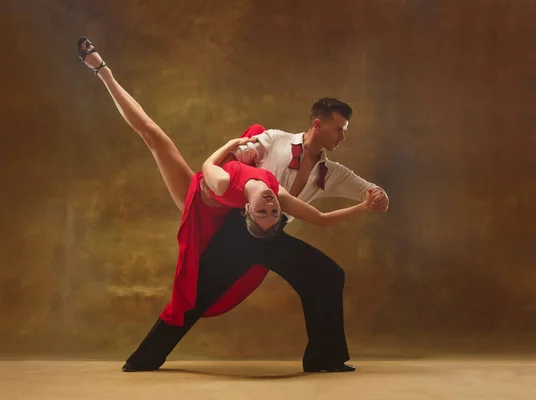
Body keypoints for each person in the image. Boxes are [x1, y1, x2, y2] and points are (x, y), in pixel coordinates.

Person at [77, 37, 379, 372]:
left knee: (326, 275)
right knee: (194, 293)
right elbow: (218, 164)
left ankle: (325, 356)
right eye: (338, 129)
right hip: (226, 220)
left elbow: (329, 212)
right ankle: (144, 358)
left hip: (266, 231)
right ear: (317, 124)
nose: (342, 137)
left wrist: (372, 201)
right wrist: (234, 146)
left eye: (345, 131)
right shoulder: (269, 146)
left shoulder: (303, 183)